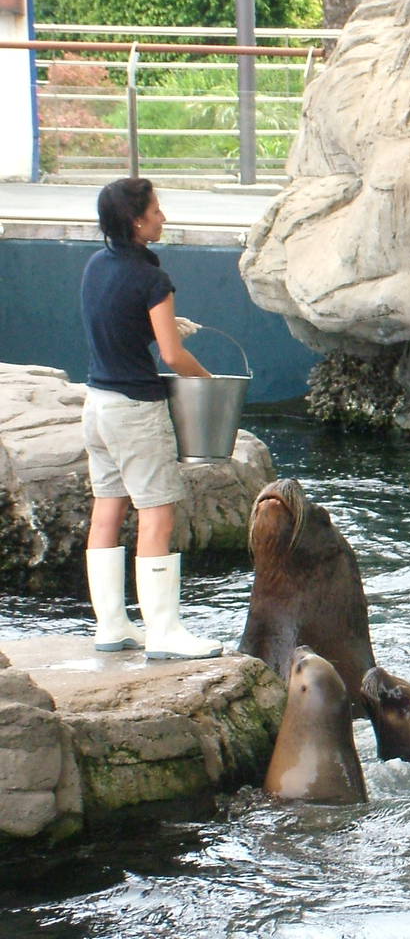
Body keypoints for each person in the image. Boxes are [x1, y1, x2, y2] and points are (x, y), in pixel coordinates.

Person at [81, 177, 222, 661]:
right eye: (157, 210)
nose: (163, 217)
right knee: (157, 515)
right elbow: (172, 355)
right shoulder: (152, 280)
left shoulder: (97, 265)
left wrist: (157, 326)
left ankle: (112, 625)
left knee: (107, 510)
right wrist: (209, 381)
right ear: (137, 221)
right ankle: (164, 632)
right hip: (135, 410)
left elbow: (117, 328)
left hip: (96, 403)